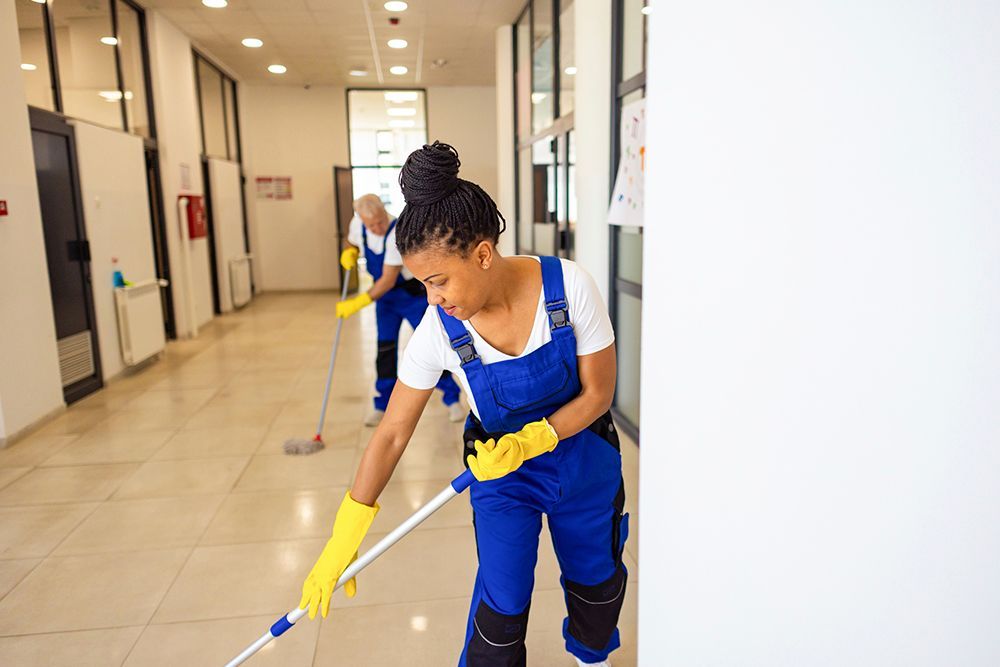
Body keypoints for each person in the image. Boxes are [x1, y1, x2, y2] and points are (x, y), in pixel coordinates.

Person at [300, 143, 628, 667]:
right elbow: (391, 433)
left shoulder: (569, 287)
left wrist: (537, 437)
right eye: (423, 283)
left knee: (597, 584)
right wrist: (348, 529)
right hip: (500, 474)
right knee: (500, 608)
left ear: (482, 253)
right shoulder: (439, 330)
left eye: (438, 280)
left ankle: (592, 659)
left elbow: (598, 394)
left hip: (585, 466)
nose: (433, 299)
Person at [337, 193, 463, 426]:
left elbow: (387, 280)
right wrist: (349, 250)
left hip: (410, 296)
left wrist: (358, 302)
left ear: (384, 212)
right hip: (386, 302)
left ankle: (452, 398)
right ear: (361, 220)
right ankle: (381, 404)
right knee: (385, 349)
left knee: (432, 347)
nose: (376, 228)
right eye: (370, 224)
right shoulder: (358, 224)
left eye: (379, 222)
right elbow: (351, 240)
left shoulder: (396, 232)